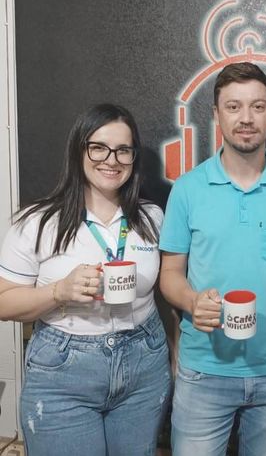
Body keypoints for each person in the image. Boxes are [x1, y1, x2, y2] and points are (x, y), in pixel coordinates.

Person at [159, 62, 266, 456]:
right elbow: (170, 273)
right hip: (204, 372)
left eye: (257, 106)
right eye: (233, 107)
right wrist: (191, 301)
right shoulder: (188, 189)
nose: (246, 118)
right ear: (216, 115)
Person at [0, 104, 171, 456]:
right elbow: (3, 302)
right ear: (79, 150)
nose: (112, 160)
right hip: (64, 370)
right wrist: (58, 292)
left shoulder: (152, 217)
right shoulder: (37, 222)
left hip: (144, 362)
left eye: (123, 150)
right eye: (99, 148)